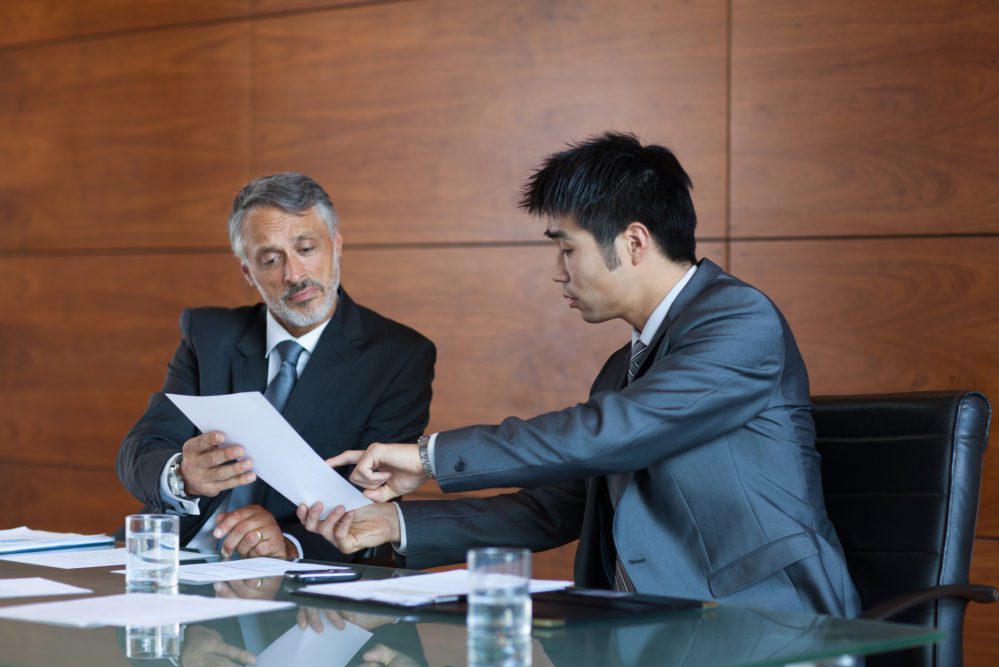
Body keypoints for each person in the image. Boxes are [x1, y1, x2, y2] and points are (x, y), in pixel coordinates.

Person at [300, 133, 860, 618]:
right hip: (650, 631)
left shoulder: (740, 320)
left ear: (633, 242)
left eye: (568, 250)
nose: (557, 273)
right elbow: (558, 507)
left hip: (765, 629)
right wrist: (394, 525)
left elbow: (615, 431)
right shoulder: (623, 366)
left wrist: (429, 457)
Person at [117, 172, 435, 561]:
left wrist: (290, 546)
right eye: (270, 259)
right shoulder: (209, 335)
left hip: (298, 570)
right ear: (248, 272)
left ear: (336, 245)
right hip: (177, 554)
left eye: (306, 248)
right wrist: (182, 476)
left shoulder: (399, 356)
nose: (294, 275)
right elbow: (140, 450)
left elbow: (372, 505)